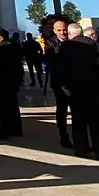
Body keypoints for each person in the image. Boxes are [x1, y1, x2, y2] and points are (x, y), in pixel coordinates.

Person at [54, 23, 99, 160]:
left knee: (78, 121)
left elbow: (61, 69)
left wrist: (65, 87)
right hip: (93, 89)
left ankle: (81, 148)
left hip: (75, 90)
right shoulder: (94, 44)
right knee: (96, 121)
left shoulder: (66, 47)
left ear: (71, 34)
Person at [42, 15, 73, 148]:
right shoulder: (50, 44)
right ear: (54, 31)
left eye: (64, 29)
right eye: (59, 30)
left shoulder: (74, 41)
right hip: (60, 83)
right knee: (62, 110)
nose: (63, 32)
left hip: (75, 82)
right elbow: (52, 62)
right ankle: (64, 136)